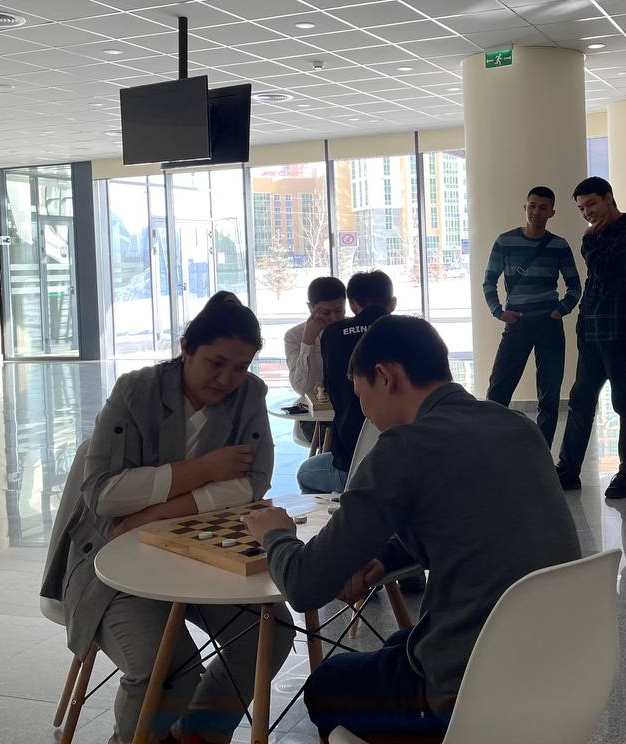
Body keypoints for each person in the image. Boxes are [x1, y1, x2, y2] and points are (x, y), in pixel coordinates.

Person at [242, 315, 580, 743]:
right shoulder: (518, 426)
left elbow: (304, 585)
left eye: (362, 397)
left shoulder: (402, 448)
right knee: (398, 643)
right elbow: (464, 523)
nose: (366, 414)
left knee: (326, 683)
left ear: (386, 377)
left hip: (467, 694)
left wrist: (274, 533)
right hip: (558, 667)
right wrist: (384, 558)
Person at [40, 291, 295, 744]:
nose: (227, 379)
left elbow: (253, 482)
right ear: (186, 348)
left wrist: (157, 511)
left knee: (270, 632)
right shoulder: (136, 391)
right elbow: (104, 495)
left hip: (203, 550)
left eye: (240, 367)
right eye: (216, 363)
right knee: (169, 668)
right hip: (113, 556)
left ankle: (196, 737)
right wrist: (205, 469)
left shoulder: (250, 394)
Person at [556, 177, 626, 499]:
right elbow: (595, 281)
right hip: (591, 330)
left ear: (609, 198)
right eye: (581, 208)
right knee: (580, 400)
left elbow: (607, 271)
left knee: (624, 401)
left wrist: (589, 241)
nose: (587, 213)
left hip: (620, 331)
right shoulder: (597, 235)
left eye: (591, 204)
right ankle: (567, 469)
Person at [482, 186, 581, 445]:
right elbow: (489, 281)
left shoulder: (559, 245)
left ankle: (542, 452)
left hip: (549, 324)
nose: (536, 211)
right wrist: (498, 312)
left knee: (549, 395)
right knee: (498, 390)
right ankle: (492, 447)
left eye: (543, 207)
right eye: (532, 206)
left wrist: (561, 310)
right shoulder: (505, 241)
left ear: (552, 212)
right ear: (524, 207)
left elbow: (575, 285)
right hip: (518, 323)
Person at [296, 270, 396, 494]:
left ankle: (339, 514)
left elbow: (330, 392)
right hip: (409, 458)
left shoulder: (333, 334)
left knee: (305, 473)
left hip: (351, 464)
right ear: (392, 303)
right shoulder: (412, 331)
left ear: (351, 304)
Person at [284, 275, 347, 400]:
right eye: (326, 312)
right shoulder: (294, 336)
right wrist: (307, 342)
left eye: (339, 311)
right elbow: (302, 389)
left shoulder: (354, 329)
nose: (334, 318)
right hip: (315, 410)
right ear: (310, 308)